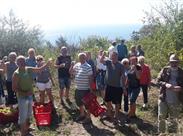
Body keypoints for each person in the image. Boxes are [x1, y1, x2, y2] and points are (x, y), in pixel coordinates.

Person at [12, 55, 51, 136]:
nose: (22, 63)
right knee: (23, 115)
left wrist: (47, 64)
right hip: (22, 97)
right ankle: (23, 132)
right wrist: (25, 93)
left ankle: (27, 128)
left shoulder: (28, 69)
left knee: (29, 113)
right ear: (17, 63)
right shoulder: (16, 73)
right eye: (20, 62)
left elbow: (39, 69)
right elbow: (14, 88)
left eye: (23, 61)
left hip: (29, 95)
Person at [157, 54, 183, 133]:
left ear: (178, 62)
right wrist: (165, 84)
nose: (174, 64)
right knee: (161, 117)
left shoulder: (181, 72)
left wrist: (181, 88)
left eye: (175, 62)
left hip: (176, 100)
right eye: (172, 62)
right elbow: (157, 81)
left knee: (173, 119)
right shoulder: (165, 70)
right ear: (169, 62)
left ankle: (171, 134)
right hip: (163, 98)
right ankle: (161, 133)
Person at [100, 51, 127, 123]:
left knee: (117, 102)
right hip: (109, 86)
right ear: (111, 56)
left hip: (117, 87)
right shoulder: (108, 62)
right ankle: (109, 114)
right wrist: (103, 55)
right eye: (112, 56)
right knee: (108, 100)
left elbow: (123, 77)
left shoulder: (121, 65)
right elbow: (101, 61)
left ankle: (116, 115)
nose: (113, 57)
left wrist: (124, 87)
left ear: (117, 57)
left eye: (114, 56)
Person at [69, 52, 93, 124]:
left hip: (85, 89)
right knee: (79, 103)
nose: (81, 59)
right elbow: (71, 72)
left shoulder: (88, 66)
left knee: (87, 104)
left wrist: (91, 89)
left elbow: (90, 78)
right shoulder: (77, 65)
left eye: (82, 57)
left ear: (85, 58)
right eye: (80, 57)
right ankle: (82, 114)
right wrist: (72, 65)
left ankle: (88, 118)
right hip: (78, 88)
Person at [126, 56, 141, 121]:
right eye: (131, 61)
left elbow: (138, 77)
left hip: (136, 87)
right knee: (132, 101)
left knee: (132, 100)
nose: (132, 62)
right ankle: (133, 114)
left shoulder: (138, 67)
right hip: (130, 87)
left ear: (136, 61)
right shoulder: (129, 67)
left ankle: (130, 114)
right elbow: (128, 76)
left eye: (134, 61)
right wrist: (125, 84)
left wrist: (135, 69)